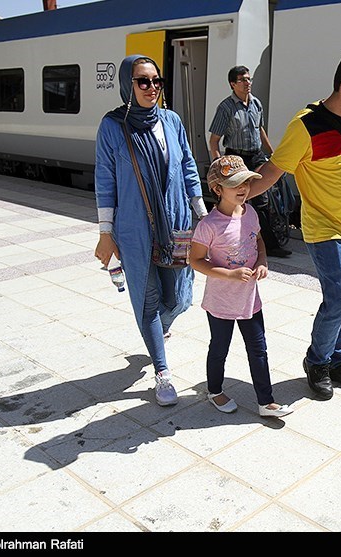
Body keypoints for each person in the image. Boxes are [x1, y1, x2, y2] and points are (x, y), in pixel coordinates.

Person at [244, 51, 341, 401]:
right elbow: (273, 171)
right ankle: (317, 362)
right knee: (340, 298)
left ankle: (338, 361)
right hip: (324, 229)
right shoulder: (306, 125)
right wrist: (235, 199)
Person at [94, 54, 208, 407]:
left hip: (176, 222)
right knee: (148, 299)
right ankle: (162, 371)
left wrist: (202, 213)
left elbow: (188, 166)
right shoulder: (113, 126)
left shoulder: (171, 121)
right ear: (127, 85)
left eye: (156, 81)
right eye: (143, 81)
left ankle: (157, 328)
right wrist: (105, 232)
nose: (152, 87)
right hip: (133, 228)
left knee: (179, 298)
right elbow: (105, 180)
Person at [189, 155, 293, 418]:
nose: (243, 188)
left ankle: (266, 402)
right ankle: (214, 391)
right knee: (219, 348)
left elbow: (258, 241)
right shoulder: (209, 225)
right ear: (217, 189)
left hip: (249, 300)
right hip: (220, 301)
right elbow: (195, 260)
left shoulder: (251, 213)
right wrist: (230, 274)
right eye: (234, 184)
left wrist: (262, 261)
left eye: (245, 182)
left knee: (258, 348)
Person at [208, 65, 292, 258]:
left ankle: (270, 245)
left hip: (256, 156)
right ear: (232, 84)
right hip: (237, 159)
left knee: (262, 199)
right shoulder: (226, 108)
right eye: (242, 80)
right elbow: (214, 140)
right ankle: (227, 239)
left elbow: (260, 130)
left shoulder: (256, 104)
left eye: (249, 79)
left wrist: (273, 155)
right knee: (235, 199)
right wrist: (218, 166)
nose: (248, 83)